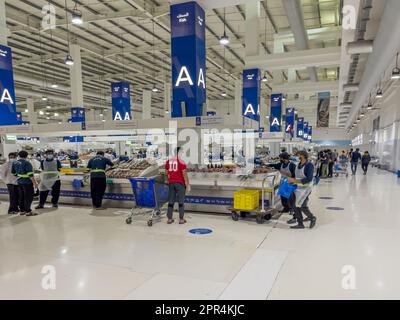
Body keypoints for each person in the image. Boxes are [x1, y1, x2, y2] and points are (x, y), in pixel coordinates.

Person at [287, 150, 317, 229]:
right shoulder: (298, 165)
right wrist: (290, 178)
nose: (297, 157)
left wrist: (295, 180)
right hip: (297, 187)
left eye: (298, 155)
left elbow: (309, 179)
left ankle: (311, 218)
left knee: (300, 206)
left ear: (303, 156)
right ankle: (300, 221)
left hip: (305, 188)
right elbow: (295, 175)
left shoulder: (309, 165)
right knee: (292, 203)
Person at [165, 147, 190, 225]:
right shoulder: (182, 162)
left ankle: (169, 219)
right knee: (181, 201)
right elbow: (184, 174)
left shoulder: (169, 161)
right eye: (182, 152)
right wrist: (187, 184)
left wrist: (168, 179)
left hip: (171, 183)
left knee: (171, 201)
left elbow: (166, 172)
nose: (182, 153)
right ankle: (181, 219)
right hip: (180, 183)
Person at [12, 150, 38, 216]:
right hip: (27, 183)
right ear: (27, 156)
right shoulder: (27, 163)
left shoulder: (15, 163)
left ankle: (22, 210)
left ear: (19, 155)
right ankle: (28, 211)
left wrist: (19, 176)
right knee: (28, 197)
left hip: (19, 182)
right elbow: (30, 175)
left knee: (21, 196)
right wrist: (35, 183)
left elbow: (13, 173)